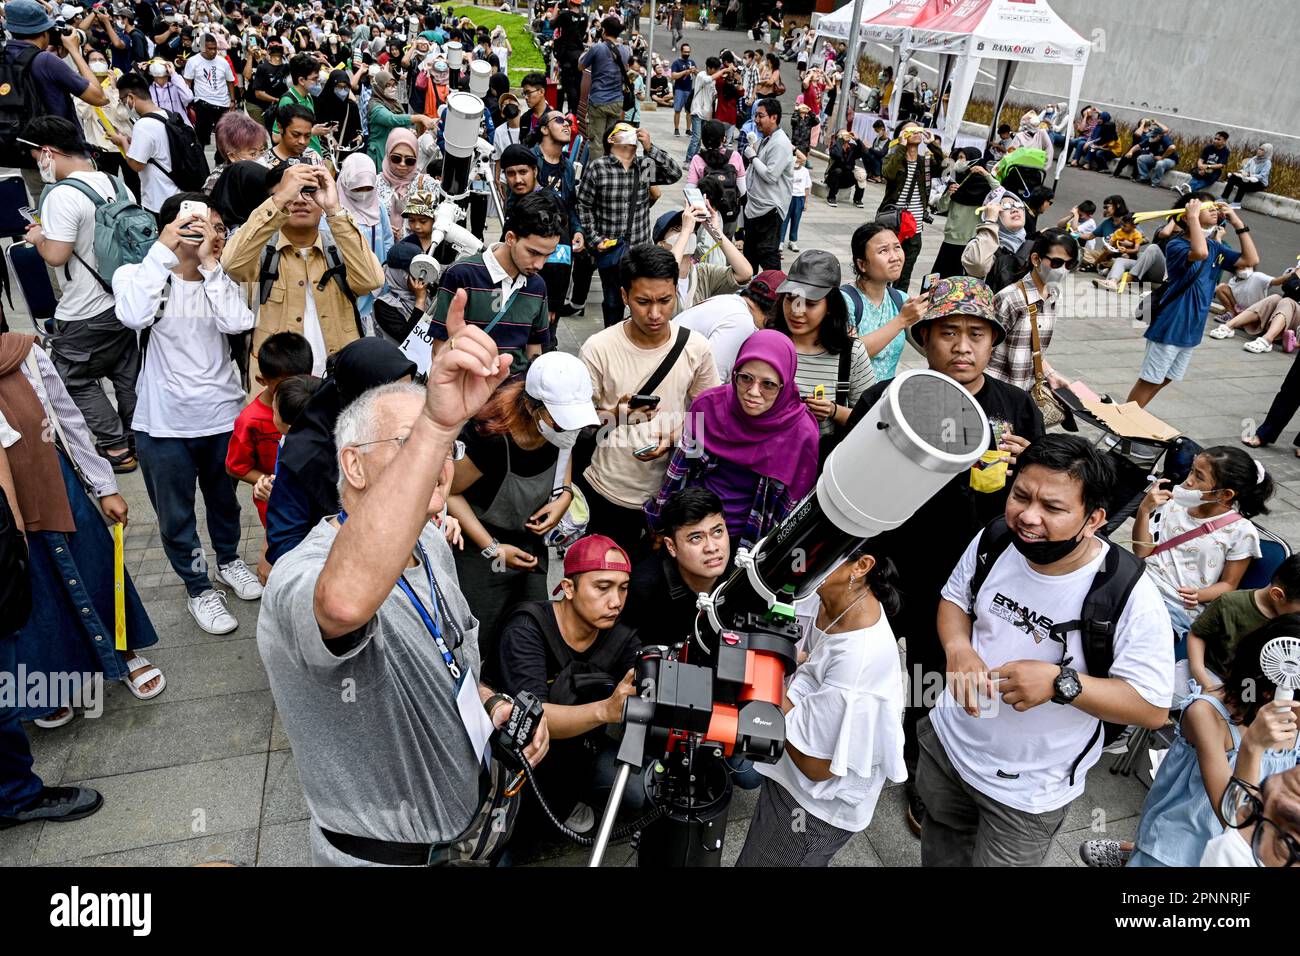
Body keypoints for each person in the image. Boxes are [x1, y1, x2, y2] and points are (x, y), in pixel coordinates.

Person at [257, 302, 551, 866]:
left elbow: (452, 662)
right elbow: (343, 606)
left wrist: (491, 704)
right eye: (411, 444)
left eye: (447, 450)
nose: (439, 463)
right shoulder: (302, 574)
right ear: (354, 466)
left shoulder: (434, 544)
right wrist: (438, 424)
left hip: (470, 834)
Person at [843, 276, 1042, 834]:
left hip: (967, 580)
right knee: (867, 662)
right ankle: (849, 752)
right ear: (925, 338)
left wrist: (1029, 465)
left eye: (977, 334)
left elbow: (1040, 500)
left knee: (933, 677)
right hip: (888, 566)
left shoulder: (1015, 409)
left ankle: (920, 776)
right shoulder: (886, 398)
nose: (962, 346)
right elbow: (846, 479)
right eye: (948, 332)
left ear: (993, 342)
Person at [919, 434, 1174, 866]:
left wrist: (1062, 683)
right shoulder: (996, 539)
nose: (1028, 517)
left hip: (1029, 788)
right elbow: (955, 601)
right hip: (949, 745)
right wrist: (958, 647)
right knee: (941, 849)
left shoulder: (1127, 593)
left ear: (1094, 519)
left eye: (1053, 508)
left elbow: (1151, 708)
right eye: (1021, 496)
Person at [112, 192, 262, 634]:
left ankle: (229, 561)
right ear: (167, 227)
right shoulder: (136, 275)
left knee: (224, 503)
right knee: (176, 515)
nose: (208, 233)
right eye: (193, 223)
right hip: (163, 423)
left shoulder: (226, 277)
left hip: (220, 416)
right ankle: (198, 586)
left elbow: (238, 322)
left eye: (214, 225)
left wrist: (210, 265)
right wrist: (163, 251)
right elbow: (133, 315)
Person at [0, 332, 162, 722]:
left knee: (93, 567)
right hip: (3, 510)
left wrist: (104, 486)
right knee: (31, 592)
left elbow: (68, 419)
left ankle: (125, 654)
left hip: (57, 486)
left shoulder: (25, 352)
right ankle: (49, 685)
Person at [735, 542, 907, 866]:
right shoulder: (823, 591)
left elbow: (816, 767)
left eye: (819, 553)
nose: (802, 560)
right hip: (786, 775)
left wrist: (768, 691)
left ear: (862, 566)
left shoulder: (859, 664)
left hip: (811, 809)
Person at [1121, 621, 1300, 867]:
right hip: (1174, 852)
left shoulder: (1293, 722)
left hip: (1240, 858)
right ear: (1271, 690)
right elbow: (1233, 819)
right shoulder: (1206, 713)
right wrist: (1252, 747)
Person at [578, 244, 719, 554]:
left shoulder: (695, 348)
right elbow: (578, 423)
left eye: (665, 301)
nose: (655, 314)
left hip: (671, 496)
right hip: (609, 491)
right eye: (643, 302)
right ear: (625, 296)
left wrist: (676, 436)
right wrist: (617, 415)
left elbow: (710, 414)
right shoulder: (598, 348)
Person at [20, 117, 138, 478]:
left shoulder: (59, 195)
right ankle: (139, 437)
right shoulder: (117, 185)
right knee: (126, 371)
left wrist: (38, 236)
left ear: (47, 152)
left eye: (35, 156)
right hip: (123, 300)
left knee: (73, 376)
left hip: (83, 308)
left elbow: (56, 254)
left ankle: (116, 446)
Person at [644, 329, 819, 549]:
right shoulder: (709, 406)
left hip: (752, 542)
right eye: (745, 378)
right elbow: (679, 472)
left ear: (785, 385)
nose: (753, 392)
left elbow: (790, 511)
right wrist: (662, 525)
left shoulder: (801, 433)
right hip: (690, 528)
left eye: (768, 384)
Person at [222, 162, 385, 378]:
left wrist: (334, 210)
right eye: (290, 193)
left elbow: (372, 281)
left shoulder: (340, 247)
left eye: (308, 192)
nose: (299, 200)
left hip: (337, 385)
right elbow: (231, 264)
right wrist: (280, 201)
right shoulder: (260, 252)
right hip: (277, 390)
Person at [1127, 194, 1257, 408]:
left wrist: (1238, 224)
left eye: (1215, 206)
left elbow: (1250, 260)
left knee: (1166, 378)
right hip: (1171, 323)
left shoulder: (1214, 247)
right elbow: (1200, 252)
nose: (1215, 210)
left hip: (1192, 326)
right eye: (1207, 206)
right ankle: (1121, 424)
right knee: (1150, 379)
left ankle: (1133, 413)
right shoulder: (1177, 245)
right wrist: (1194, 217)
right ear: (1187, 216)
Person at [1132, 446, 1269, 648]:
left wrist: (1200, 595)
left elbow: (1229, 584)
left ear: (1225, 494)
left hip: (1175, 606)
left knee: (1136, 639)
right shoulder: (1173, 504)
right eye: (1191, 470)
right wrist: (1144, 510)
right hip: (1138, 583)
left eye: (1199, 476)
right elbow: (1142, 551)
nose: (1188, 480)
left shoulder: (1241, 532)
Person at [429, 192, 559, 372]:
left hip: (515, 393)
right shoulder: (461, 275)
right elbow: (440, 349)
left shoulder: (537, 286)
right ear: (511, 238)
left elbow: (534, 348)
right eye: (533, 252)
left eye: (548, 255)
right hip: (469, 390)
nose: (539, 265)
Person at [766, 250, 873, 464]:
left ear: (831, 307)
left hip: (819, 464)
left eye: (811, 303)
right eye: (791, 299)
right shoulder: (766, 342)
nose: (797, 311)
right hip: (766, 458)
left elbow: (871, 422)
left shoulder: (851, 354)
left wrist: (833, 411)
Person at [576, 123, 683, 328]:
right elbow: (583, 205)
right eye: (624, 130)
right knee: (613, 300)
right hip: (611, 249)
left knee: (643, 297)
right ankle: (612, 339)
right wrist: (595, 239)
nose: (631, 132)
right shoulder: (599, 167)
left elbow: (674, 173)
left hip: (641, 249)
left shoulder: (643, 166)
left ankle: (639, 336)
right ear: (612, 140)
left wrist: (651, 148)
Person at [0, 0, 108, 200]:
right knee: (85, 213)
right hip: (66, 156)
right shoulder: (46, 61)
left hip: (30, 156)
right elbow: (99, 97)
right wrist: (75, 51)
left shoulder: (4, 57)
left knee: (48, 217)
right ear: (44, 32)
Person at [227, 332, 315, 531]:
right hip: (279, 509)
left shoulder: (318, 399)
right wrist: (266, 481)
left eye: (300, 383)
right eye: (284, 387)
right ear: (262, 380)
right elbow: (235, 467)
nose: (294, 393)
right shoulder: (250, 420)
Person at [1188, 553, 1300, 702]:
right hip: (1215, 675)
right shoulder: (1229, 604)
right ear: (1278, 595)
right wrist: (1203, 678)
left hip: (1259, 689)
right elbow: (1197, 634)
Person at [622, 487, 730, 642]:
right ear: (671, 546)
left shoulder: (742, 575)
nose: (712, 548)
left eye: (718, 532)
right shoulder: (643, 589)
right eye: (696, 538)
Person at [987, 229, 1079, 393]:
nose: (1063, 270)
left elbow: (1033, 349)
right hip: (998, 392)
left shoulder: (1053, 296)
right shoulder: (1010, 299)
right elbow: (983, 350)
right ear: (1036, 259)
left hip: (1026, 394)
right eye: (1057, 263)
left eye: (1070, 264)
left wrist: (1050, 374)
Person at [841, 222, 927, 383]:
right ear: (862, 264)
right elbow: (851, 355)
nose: (895, 257)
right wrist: (901, 320)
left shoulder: (900, 299)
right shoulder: (845, 301)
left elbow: (926, 350)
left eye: (897, 247)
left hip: (884, 400)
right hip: (852, 404)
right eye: (883, 251)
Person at [881, 124, 944, 291]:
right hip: (893, 224)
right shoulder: (894, 158)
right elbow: (888, 173)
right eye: (910, 130)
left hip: (914, 227)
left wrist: (932, 144)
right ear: (902, 135)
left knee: (905, 273)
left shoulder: (925, 162)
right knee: (884, 270)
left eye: (918, 130)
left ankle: (898, 306)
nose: (916, 133)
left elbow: (944, 166)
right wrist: (901, 147)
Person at [654, 207, 752, 314]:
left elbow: (745, 273)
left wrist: (716, 231)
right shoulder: (652, 273)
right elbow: (666, 278)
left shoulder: (703, 273)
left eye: (692, 229)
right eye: (677, 228)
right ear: (661, 244)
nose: (689, 232)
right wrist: (686, 230)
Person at [335, 153, 394, 324]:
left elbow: (387, 238)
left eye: (368, 188)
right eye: (357, 189)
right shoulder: (335, 212)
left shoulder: (378, 206)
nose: (363, 194)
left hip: (378, 278)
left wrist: (385, 269)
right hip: (349, 280)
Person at [113, 71, 181, 214]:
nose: (124, 105)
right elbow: (159, 146)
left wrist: (122, 142)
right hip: (178, 192)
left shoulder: (143, 124)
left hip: (159, 200)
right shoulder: (166, 114)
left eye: (122, 100)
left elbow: (136, 165)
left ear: (131, 98)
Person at [741, 98, 793, 273]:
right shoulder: (766, 139)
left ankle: (776, 295)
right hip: (754, 208)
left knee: (767, 255)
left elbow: (770, 175)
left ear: (774, 117)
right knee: (750, 254)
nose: (756, 120)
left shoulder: (780, 143)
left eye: (760, 116)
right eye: (755, 115)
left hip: (769, 210)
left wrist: (753, 157)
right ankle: (750, 293)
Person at [930, 148, 997, 279]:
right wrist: (948, 194)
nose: (960, 161)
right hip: (950, 240)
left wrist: (986, 174)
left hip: (971, 242)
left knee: (963, 285)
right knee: (940, 282)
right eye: (959, 157)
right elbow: (940, 207)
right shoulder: (955, 180)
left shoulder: (984, 184)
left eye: (963, 158)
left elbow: (1000, 192)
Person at [579, 16, 630, 160]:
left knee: (597, 141)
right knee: (612, 140)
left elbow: (580, 66)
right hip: (617, 102)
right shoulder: (626, 50)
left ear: (604, 30)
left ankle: (597, 174)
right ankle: (610, 169)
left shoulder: (597, 48)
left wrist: (586, 51)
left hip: (598, 102)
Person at [365, 70, 432, 174]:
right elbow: (392, 119)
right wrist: (420, 118)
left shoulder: (394, 103)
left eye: (394, 85)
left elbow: (401, 123)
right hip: (380, 152)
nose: (392, 88)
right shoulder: (375, 106)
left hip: (395, 151)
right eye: (388, 85)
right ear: (379, 87)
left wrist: (408, 132)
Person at [1207, 285, 1300, 354]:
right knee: (1275, 298)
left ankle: (1267, 340)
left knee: (1288, 301)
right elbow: (1289, 286)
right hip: (1285, 315)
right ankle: (1229, 326)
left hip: (1296, 325)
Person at [183, 34, 236, 149]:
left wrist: (232, 100)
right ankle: (200, 162)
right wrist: (187, 102)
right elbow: (187, 82)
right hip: (203, 102)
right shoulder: (193, 61)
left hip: (222, 103)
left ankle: (220, 161)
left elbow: (230, 81)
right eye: (210, 49)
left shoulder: (223, 62)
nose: (213, 52)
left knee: (223, 136)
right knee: (201, 137)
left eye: (215, 49)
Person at [203, 111, 270, 191]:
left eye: (262, 150)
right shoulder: (216, 185)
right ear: (232, 156)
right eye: (253, 154)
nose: (260, 158)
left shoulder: (267, 171)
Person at [685, 56, 720, 165]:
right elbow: (707, 80)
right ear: (710, 68)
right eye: (716, 69)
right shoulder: (701, 75)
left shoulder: (713, 79)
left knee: (701, 139)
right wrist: (723, 71)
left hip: (707, 113)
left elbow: (713, 93)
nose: (717, 71)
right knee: (696, 137)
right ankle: (688, 160)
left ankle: (695, 160)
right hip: (697, 111)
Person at [825, 129, 866, 209]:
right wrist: (840, 140)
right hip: (833, 178)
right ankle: (831, 197)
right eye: (842, 133)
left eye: (846, 133)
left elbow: (864, 152)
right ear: (838, 137)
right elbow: (837, 155)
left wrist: (857, 140)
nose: (845, 134)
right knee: (838, 171)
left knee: (861, 173)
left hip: (846, 179)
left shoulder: (852, 147)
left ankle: (857, 199)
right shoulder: (834, 147)